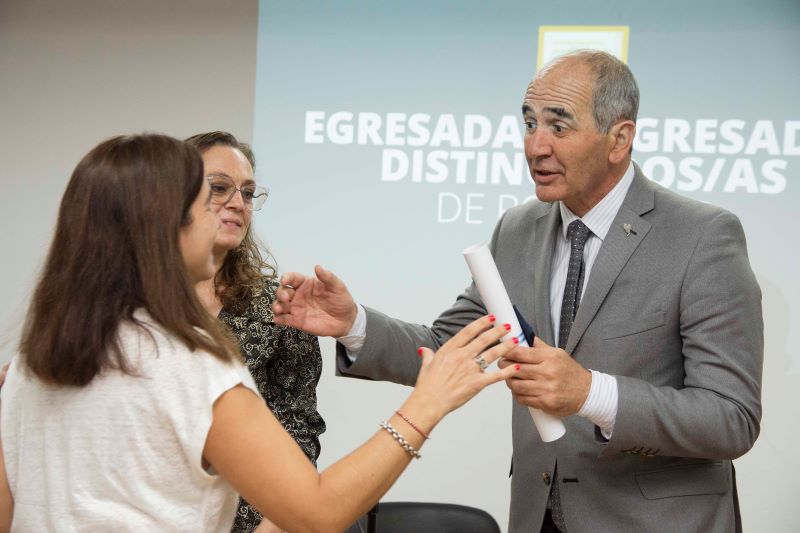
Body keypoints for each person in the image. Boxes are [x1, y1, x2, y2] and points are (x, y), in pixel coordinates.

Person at [272, 50, 764, 533]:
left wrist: (589, 392)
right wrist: (353, 324)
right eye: (529, 124)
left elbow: (732, 417)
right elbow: (449, 348)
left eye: (559, 126)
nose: (535, 147)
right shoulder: (518, 229)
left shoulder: (701, 236)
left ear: (619, 139)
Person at [0, 133, 520, 532]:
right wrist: (426, 404)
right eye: (204, 202)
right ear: (159, 227)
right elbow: (317, 513)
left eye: (245, 193)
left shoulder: (27, 369)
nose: (226, 214)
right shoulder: (192, 368)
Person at [185, 131, 324, 533]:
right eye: (219, 188)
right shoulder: (136, 306)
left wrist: (276, 523)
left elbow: (298, 428)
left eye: (247, 193)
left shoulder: (279, 306)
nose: (237, 203)